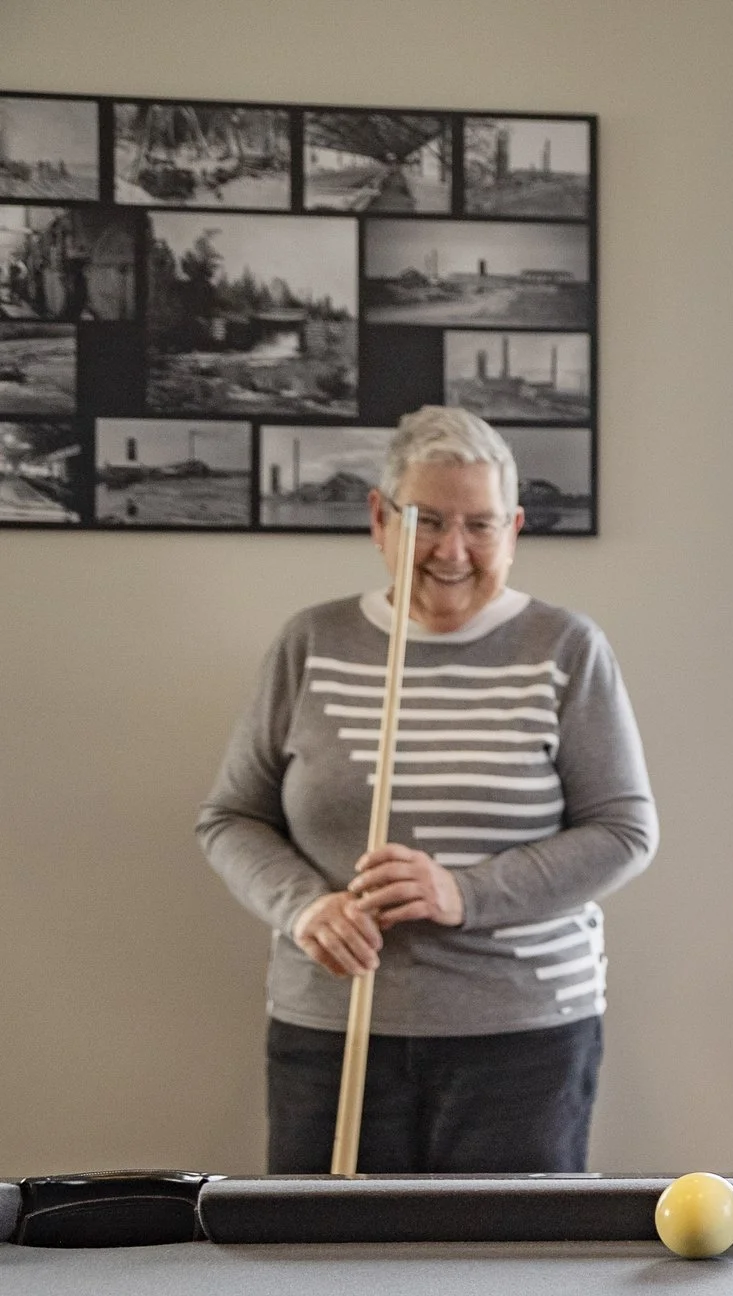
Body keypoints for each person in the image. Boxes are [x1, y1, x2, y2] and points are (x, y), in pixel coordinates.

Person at [198, 406, 657, 1172]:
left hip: (523, 1039)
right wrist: (306, 906)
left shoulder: (567, 648)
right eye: (427, 520)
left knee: (504, 1282)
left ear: (513, 530)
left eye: (480, 525)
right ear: (380, 519)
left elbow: (623, 831)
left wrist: (462, 892)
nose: (452, 550)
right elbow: (231, 818)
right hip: (332, 1028)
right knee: (321, 1274)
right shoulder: (311, 643)